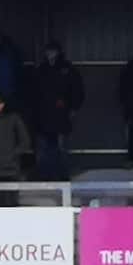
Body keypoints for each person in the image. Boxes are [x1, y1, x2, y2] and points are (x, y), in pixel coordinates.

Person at [29, 40, 84, 182]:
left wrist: (73, 108)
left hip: (61, 116)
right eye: (48, 51)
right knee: (43, 148)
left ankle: (63, 176)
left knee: (61, 147)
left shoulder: (67, 69)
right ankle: (43, 176)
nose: (50, 54)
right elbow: (33, 94)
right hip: (43, 117)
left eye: (53, 51)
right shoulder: (41, 69)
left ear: (58, 52)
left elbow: (77, 90)